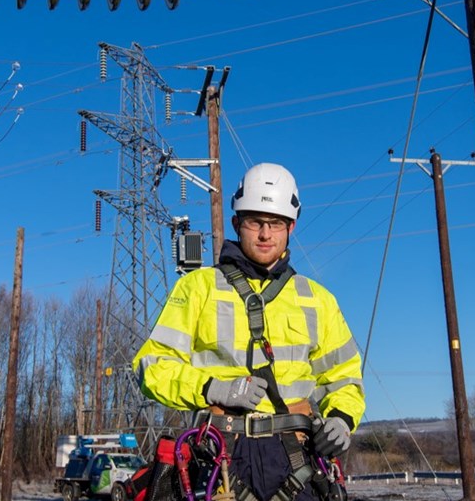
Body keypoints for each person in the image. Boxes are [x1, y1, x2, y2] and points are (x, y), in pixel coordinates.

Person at [132, 162, 365, 501]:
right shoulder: (198, 288)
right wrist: (213, 388)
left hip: (296, 457)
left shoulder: (317, 299)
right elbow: (151, 365)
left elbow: (345, 378)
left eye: (276, 224)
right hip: (219, 455)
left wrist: (342, 420)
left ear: (291, 227)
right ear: (237, 224)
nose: (265, 234)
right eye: (256, 222)